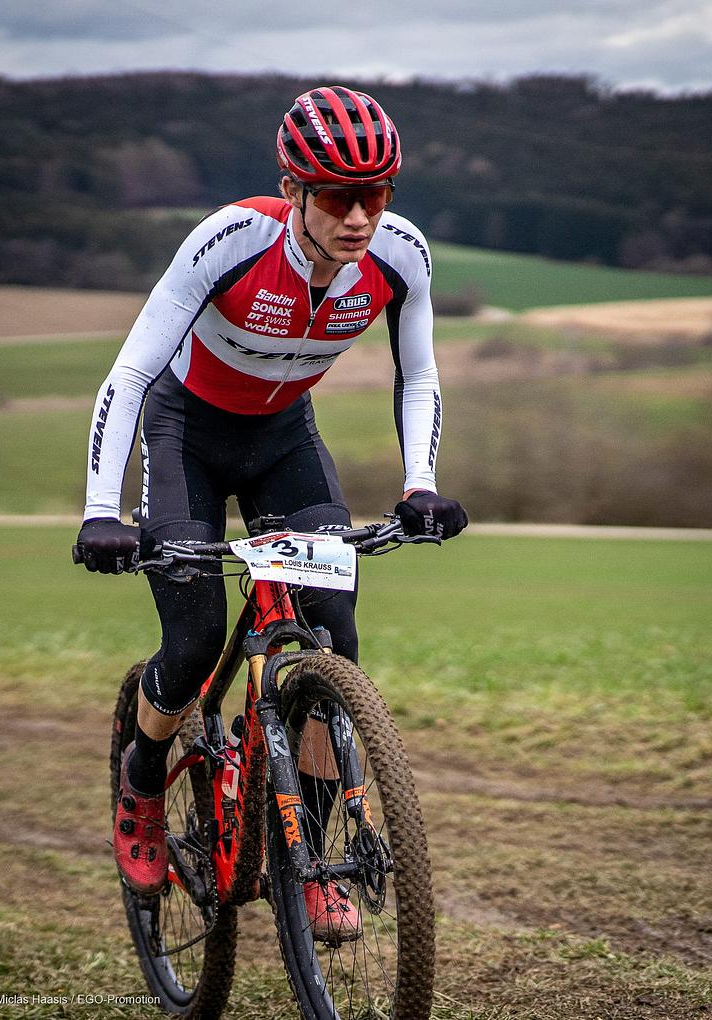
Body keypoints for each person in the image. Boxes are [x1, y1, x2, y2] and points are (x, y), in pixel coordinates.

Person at [76, 85, 467, 938]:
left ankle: (314, 861)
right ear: (293, 190)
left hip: (284, 438)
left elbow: (420, 375)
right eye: (338, 196)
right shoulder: (231, 241)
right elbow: (131, 374)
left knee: (332, 637)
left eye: (376, 194)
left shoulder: (400, 254)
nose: (359, 217)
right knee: (194, 641)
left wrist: (420, 484)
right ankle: (144, 779)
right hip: (186, 432)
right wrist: (101, 509)